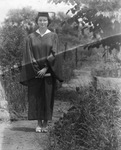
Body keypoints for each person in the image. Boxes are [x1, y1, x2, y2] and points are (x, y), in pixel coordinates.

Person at [20, 12, 63, 133]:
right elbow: (29, 55)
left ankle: (45, 124)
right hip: (35, 73)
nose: (42, 22)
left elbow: (54, 53)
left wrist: (45, 68)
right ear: (37, 22)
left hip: (48, 72)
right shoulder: (30, 37)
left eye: (45, 20)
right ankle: (38, 124)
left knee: (47, 97)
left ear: (48, 22)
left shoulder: (53, 36)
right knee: (37, 97)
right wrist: (37, 69)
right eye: (40, 20)